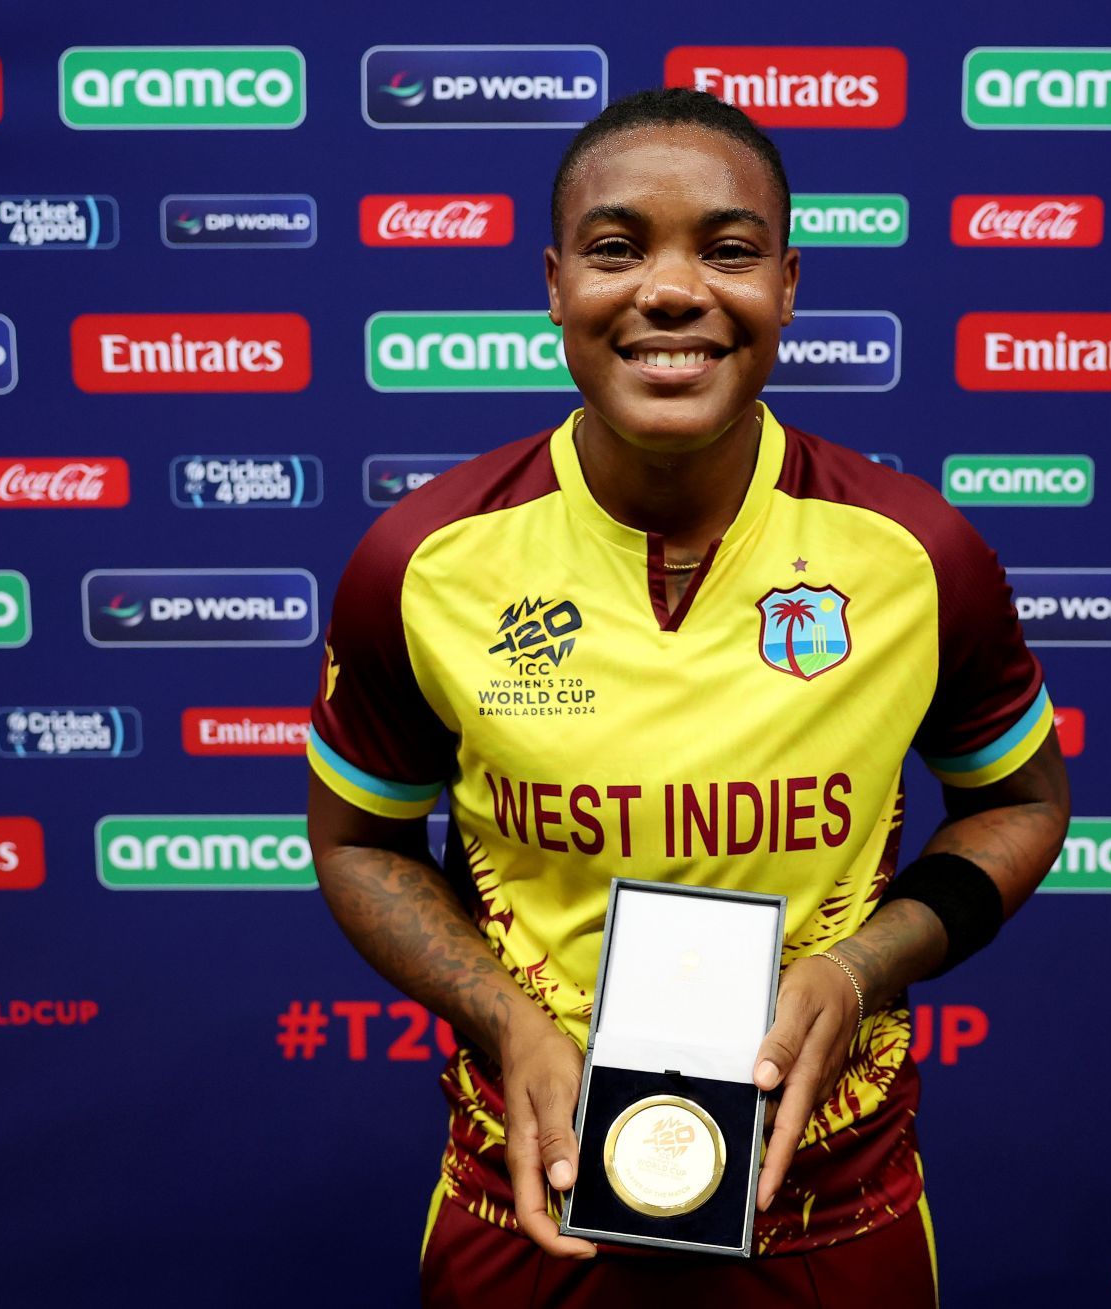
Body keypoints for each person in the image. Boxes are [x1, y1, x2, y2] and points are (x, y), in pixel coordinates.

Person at [306, 87, 1071, 1308]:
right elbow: (358, 841)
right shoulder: (426, 560)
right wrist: (503, 1016)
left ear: (788, 284)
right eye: (618, 249)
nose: (671, 290)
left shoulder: (916, 554)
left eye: (728, 249)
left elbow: (1020, 804)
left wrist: (863, 966)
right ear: (554, 284)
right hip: (529, 1203)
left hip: (835, 1209)